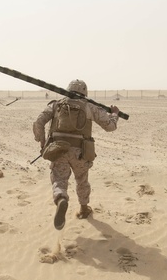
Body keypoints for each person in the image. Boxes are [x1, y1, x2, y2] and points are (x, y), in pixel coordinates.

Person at [33, 80, 121, 229]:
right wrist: (114, 115)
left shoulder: (56, 105)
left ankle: (61, 198)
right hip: (81, 152)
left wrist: (42, 142)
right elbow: (110, 126)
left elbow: (38, 122)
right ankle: (84, 208)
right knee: (82, 180)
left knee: (59, 179)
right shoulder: (90, 107)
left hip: (58, 149)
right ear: (85, 92)